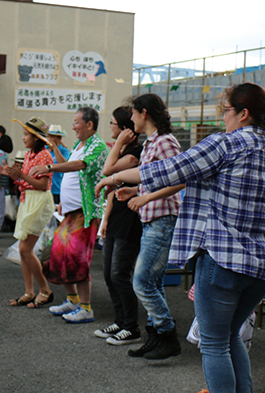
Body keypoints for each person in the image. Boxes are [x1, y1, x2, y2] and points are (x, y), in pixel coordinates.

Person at [97, 82, 265, 391]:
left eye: (225, 111)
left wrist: (114, 176)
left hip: (222, 260)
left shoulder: (225, 144)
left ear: (243, 114)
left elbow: (170, 170)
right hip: (261, 267)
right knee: (229, 336)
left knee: (215, 343)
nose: (223, 118)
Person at [113, 94, 186, 357]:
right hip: (152, 218)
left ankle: (166, 333)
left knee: (142, 281)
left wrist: (144, 196)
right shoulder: (152, 142)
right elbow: (156, 179)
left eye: (132, 114)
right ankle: (156, 336)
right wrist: (135, 191)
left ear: (144, 113)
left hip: (162, 218)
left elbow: (180, 179)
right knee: (151, 282)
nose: (131, 119)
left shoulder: (165, 142)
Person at [29, 107, 108, 323]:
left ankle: (86, 308)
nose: (73, 127)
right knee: (59, 256)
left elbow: (80, 165)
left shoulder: (98, 146)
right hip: (71, 212)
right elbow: (69, 168)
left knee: (76, 260)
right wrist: (55, 149)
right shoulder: (77, 145)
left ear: (89, 125)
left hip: (85, 213)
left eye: (76, 122)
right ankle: (73, 301)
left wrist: (48, 165)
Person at [95, 106, 145, 346]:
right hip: (115, 217)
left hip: (130, 219)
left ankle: (131, 327)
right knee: (108, 273)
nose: (110, 127)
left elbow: (107, 171)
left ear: (125, 129)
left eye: (113, 123)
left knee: (119, 273)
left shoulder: (134, 153)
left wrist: (116, 145)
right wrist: (105, 220)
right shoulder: (124, 151)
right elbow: (111, 192)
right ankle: (120, 320)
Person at [0, 117, 56, 308]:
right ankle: (29, 291)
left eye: (26, 134)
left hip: (38, 201)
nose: (23, 138)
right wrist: (9, 173)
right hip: (28, 200)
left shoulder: (44, 155)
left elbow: (42, 185)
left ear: (36, 137)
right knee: (24, 251)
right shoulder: (30, 154)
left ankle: (44, 290)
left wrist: (19, 175)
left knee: (24, 249)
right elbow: (25, 182)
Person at [46, 124, 72, 204]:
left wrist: (54, 148)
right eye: (49, 136)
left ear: (59, 138)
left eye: (53, 137)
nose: (50, 139)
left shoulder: (64, 150)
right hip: (45, 189)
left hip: (57, 189)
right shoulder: (44, 149)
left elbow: (64, 164)